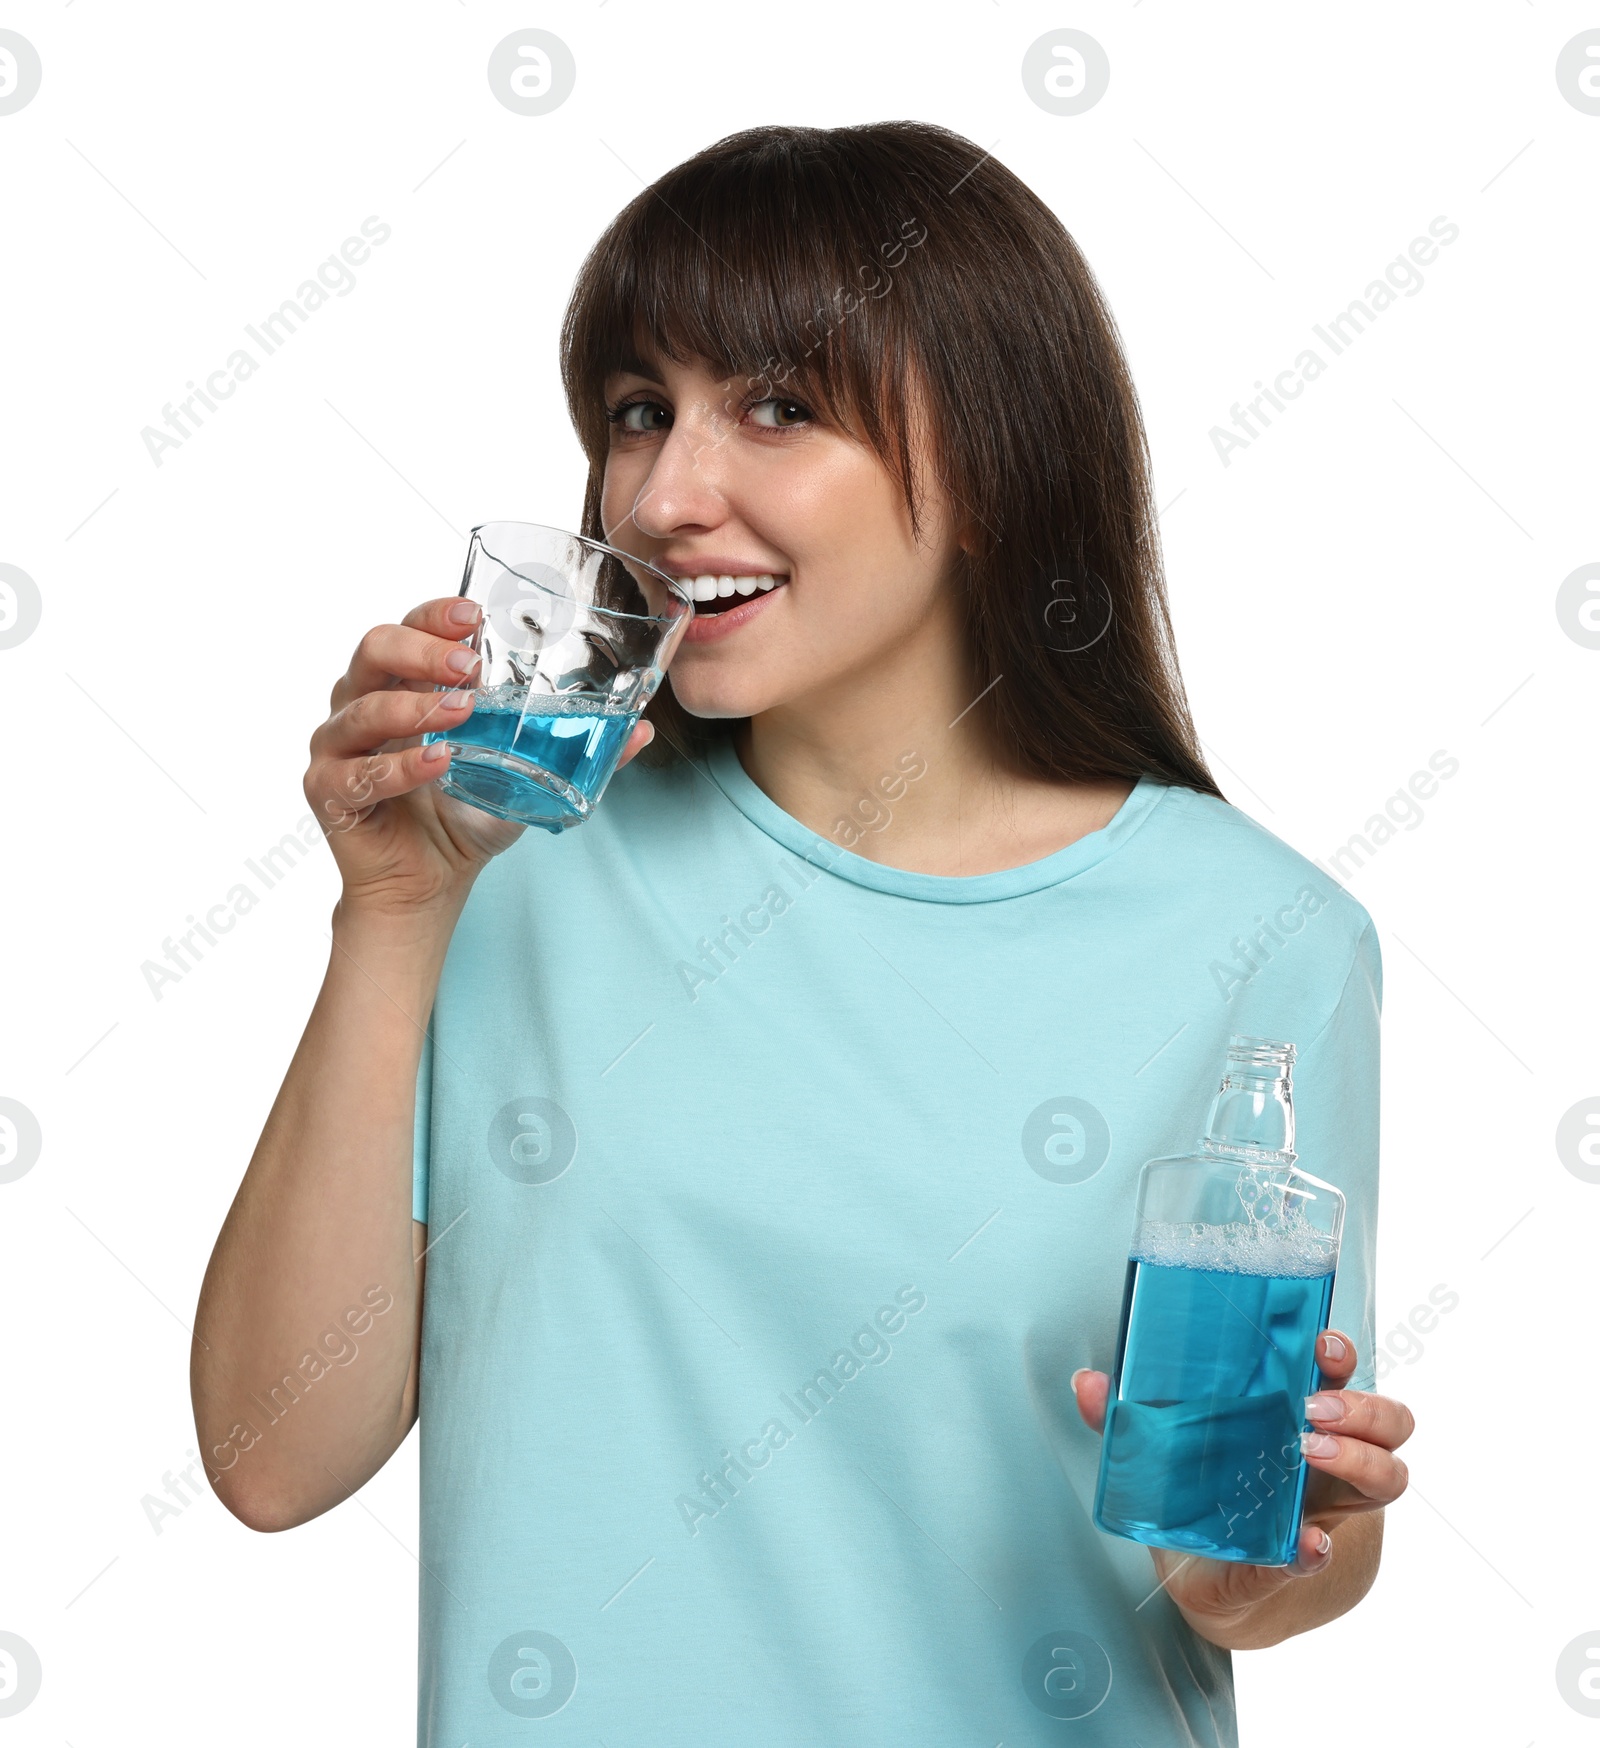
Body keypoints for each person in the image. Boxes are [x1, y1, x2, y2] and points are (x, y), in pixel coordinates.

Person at [192, 121, 1413, 1746]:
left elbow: (1254, 1540)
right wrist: (394, 913)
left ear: (992, 464)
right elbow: (274, 1457)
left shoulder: (1261, 937)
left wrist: (1265, 1566)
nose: (668, 495)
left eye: (775, 406)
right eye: (641, 412)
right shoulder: (512, 868)